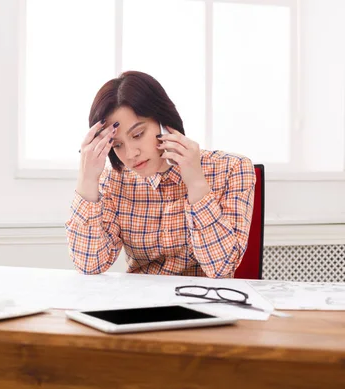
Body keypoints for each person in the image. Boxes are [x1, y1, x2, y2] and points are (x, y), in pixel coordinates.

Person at [65, 71, 255, 278]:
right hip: (141, 303)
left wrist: (196, 184)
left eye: (138, 134)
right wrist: (87, 179)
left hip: (206, 304)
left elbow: (221, 269)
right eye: (117, 145)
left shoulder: (232, 169)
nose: (131, 154)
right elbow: (89, 265)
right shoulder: (115, 180)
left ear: (164, 123)